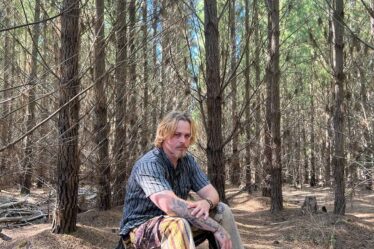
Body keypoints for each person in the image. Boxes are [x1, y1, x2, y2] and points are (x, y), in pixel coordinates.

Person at [118, 111, 244, 249]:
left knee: (222, 210)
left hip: (175, 224)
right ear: (164, 135)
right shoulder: (149, 164)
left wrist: (207, 203)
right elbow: (171, 206)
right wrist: (216, 228)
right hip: (139, 232)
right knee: (177, 224)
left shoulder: (187, 162)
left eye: (187, 136)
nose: (183, 140)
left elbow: (212, 193)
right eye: (177, 135)